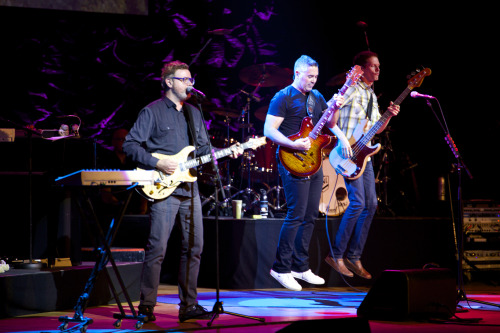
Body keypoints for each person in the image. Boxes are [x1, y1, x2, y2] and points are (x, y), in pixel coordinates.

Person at [122, 60, 242, 322]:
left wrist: (224, 153)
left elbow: (199, 151)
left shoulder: (194, 113)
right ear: (168, 82)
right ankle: (146, 307)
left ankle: (188, 305)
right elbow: (130, 145)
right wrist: (158, 162)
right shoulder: (152, 112)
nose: (190, 84)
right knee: (158, 248)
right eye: (184, 79)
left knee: (195, 247)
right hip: (162, 188)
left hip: (190, 188)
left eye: (191, 80)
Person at [263, 55, 349, 291]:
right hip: (293, 160)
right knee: (296, 214)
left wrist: (336, 108)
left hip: (314, 161)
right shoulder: (283, 97)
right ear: (297, 73)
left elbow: (330, 123)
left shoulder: (317, 96)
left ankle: (300, 266)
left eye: (316, 77)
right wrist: (293, 145)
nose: (313, 80)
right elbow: (269, 130)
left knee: (311, 215)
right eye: (309, 76)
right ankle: (280, 268)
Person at [325, 50, 400, 279]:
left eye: (379, 66)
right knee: (358, 203)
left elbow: (377, 129)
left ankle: (354, 256)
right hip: (346, 152)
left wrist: (388, 115)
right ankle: (335, 255)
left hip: (363, 155)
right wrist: (341, 138)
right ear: (363, 68)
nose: (378, 69)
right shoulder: (351, 89)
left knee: (371, 205)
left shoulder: (370, 95)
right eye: (374, 66)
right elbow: (329, 115)